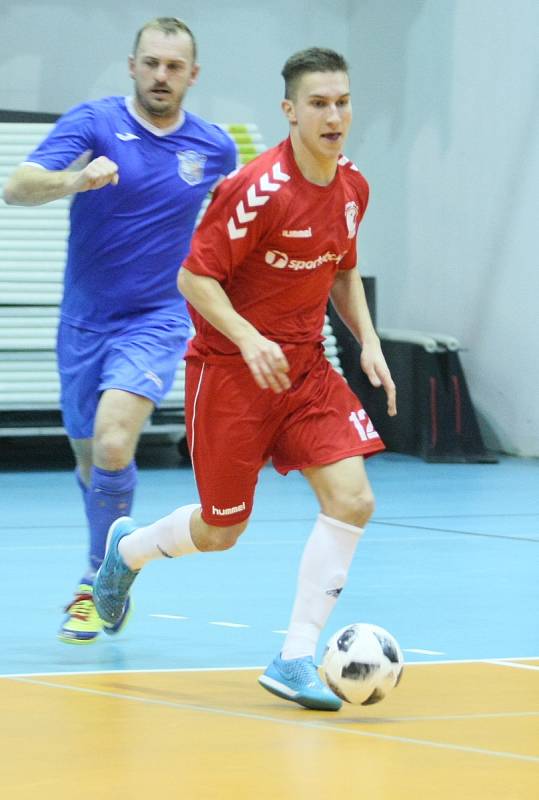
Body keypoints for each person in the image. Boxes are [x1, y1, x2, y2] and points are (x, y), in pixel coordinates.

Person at [93, 46, 397, 711]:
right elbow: (193, 278)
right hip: (230, 372)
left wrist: (366, 341)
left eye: (342, 101)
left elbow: (341, 267)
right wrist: (248, 337)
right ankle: (129, 551)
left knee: (352, 500)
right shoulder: (256, 190)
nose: (333, 115)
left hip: (306, 370)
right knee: (220, 531)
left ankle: (294, 655)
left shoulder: (353, 187)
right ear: (289, 111)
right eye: (318, 103)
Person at [2, 17, 237, 644]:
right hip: (83, 321)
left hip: (159, 319)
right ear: (132, 65)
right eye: (152, 63)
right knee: (89, 458)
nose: (162, 75)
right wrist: (77, 179)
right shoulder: (94, 122)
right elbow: (16, 187)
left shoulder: (214, 147)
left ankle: (95, 580)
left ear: (193, 75)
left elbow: (236, 222)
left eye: (175, 66)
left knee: (112, 444)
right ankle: (102, 561)